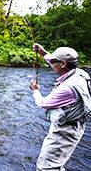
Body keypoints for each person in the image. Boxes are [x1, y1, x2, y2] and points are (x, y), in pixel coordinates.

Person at [30, 43, 91, 171]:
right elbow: (55, 60)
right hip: (75, 126)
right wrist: (43, 53)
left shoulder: (67, 88)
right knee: (56, 165)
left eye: (53, 61)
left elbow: (43, 103)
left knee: (46, 167)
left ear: (63, 64)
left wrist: (35, 90)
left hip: (65, 131)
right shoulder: (80, 73)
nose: (51, 63)